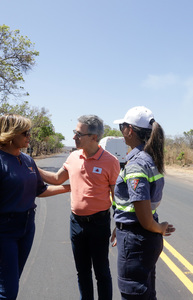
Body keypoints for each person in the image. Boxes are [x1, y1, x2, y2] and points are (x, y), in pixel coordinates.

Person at [38, 115, 120, 300]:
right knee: (82, 272)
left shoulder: (111, 161)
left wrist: (119, 224)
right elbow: (57, 179)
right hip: (76, 223)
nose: (74, 137)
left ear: (93, 137)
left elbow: (117, 196)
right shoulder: (73, 156)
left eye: (78, 133)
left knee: (101, 272)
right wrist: (33, 167)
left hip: (99, 224)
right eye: (75, 132)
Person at [0, 114, 70, 300]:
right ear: (10, 134)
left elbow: (40, 190)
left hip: (27, 227)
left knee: (13, 278)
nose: (29, 135)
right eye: (25, 132)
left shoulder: (28, 160)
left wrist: (70, 188)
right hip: (4, 230)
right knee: (8, 291)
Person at [111, 106, 175, 300]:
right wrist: (119, 225)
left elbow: (145, 219)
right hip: (139, 237)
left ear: (130, 130)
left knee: (134, 294)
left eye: (122, 126)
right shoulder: (150, 158)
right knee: (146, 293)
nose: (121, 131)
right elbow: (133, 206)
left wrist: (160, 228)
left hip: (136, 239)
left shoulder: (137, 163)